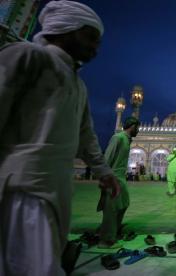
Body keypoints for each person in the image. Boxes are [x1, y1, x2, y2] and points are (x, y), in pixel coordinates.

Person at [0, 1, 120, 275]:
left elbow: (86, 134)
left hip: (56, 187)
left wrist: (103, 170)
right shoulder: (26, 55)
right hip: (22, 187)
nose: (96, 47)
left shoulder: (77, 83)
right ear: (65, 30)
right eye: (90, 37)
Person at [98, 117, 140, 248]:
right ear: (132, 126)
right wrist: (104, 178)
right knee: (111, 209)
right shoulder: (118, 138)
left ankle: (113, 230)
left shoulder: (127, 140)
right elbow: (107, 157)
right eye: (137, 127)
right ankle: (106, 240)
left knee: (123, 204)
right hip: (113, 177)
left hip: (120, 178)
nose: (138, 130)